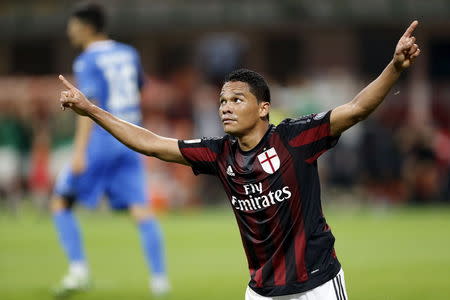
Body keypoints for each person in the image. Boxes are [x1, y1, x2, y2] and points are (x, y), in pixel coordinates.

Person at [58, 20, 420, 300]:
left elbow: (355, 109)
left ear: (264, 108)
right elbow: (151, 143)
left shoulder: (294, 138)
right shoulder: (218, 153)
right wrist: (90, 110)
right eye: (222, 102)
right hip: (261, 289)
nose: (225, 108)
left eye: (236, 100)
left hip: (318, 284)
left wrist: (395, 67)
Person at [51, 2, 169, 296]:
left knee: (60, 202)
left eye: (72, 25)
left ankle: (78, 272)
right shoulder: (129, 53)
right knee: (141, 210)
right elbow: (139, 90)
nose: (69, 30)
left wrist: (79, 152)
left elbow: (87, 107)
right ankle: (160, 280)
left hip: (101, 140)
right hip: (132, 138)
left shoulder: (86, 61)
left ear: (86, 27)